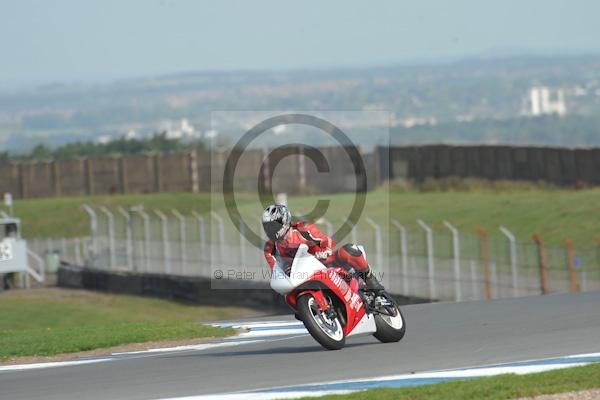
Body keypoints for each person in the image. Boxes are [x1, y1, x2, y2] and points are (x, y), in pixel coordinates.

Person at [261, 204, 384, 292]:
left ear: (284, 220)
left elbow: (326, 241)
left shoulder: (303, 228)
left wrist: (325, 251)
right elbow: (276, 272)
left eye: (273, 225)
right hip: (301, 277)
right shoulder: (269, 248)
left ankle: (370, 279)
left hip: (324, 263)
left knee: (348, 250)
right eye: (268, 226)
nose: (271, 229)